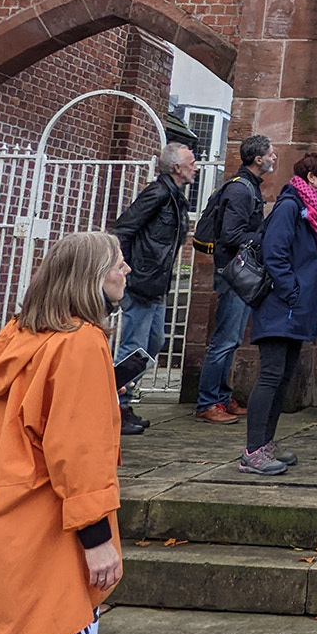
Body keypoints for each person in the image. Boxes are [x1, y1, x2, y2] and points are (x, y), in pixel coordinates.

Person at [0, 231, 127, 634]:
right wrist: (97, 541)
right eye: (117, 262)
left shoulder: (19, 338)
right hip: (42, 526)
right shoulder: (80, 343)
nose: (126, 270)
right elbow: (79, 452)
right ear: (91, 277)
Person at [237, 151, 317, 476]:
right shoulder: (291, 207)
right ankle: (252, 450)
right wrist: (292, 291)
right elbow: (275, 253)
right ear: (311, 178)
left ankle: (266, 442)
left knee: (283, 377)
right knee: (270, 376)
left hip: (295, 309)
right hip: (282, 307)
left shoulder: (312, 211)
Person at [109, 142, 196, 435]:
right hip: (142, 282)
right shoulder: (158, 193)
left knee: (152, 345)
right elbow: (123, 230)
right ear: (176, 168)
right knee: (134, 346)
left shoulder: (175, 197)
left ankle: (121, 399)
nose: (194, 167)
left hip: (156, 284)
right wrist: (127, 272)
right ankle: (113, 405)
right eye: (191, 163)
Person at [194, 134, 276, 425]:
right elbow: (230, 236)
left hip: (234, 273)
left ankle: (221, 396)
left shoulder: (246, 186)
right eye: (270, 154)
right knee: (225, 340)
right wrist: (265, 237)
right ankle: (207, 402)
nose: (273, 158)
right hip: (233, 274)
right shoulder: (242, 191)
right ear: (258, 159)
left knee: (230, 340)